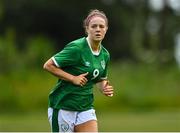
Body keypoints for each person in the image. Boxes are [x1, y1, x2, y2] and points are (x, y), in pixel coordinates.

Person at [43, 9, 114, 132]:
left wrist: (104, 88)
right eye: (94, 26)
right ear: (87, 29)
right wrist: (73, 78)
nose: (98, 29)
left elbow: (100, 79)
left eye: (101, 26)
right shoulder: (77, 48)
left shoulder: (105, 54)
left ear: (106, 29)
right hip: (63, 106)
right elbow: (48, 65)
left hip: (85, 107)